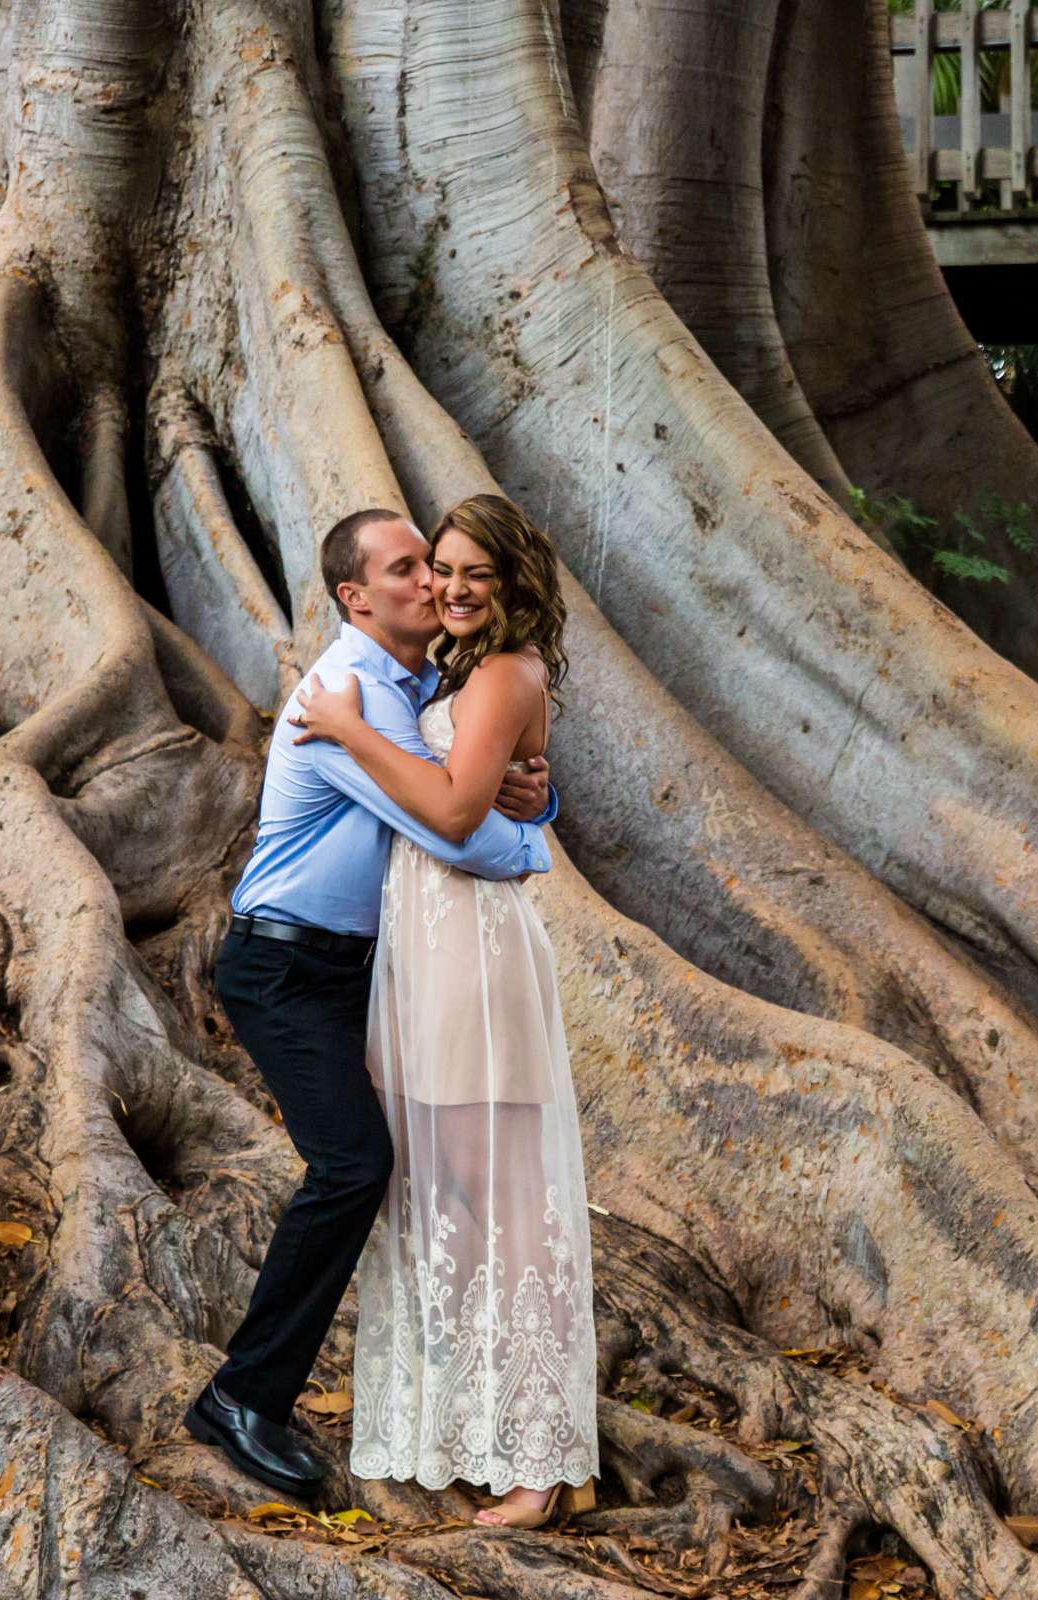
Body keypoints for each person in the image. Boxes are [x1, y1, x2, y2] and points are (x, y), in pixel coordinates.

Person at [185, 508, 557, 1502]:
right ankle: (243, 1396)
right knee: (355, 1165)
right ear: (354, 598)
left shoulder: (421, 685)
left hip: (368, 971)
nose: (432, 584)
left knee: (442, 1175)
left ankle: (484, 1423)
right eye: (408, 570)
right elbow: (454, 829)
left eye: (436, 567)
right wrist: (533, 843)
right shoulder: (345, 693)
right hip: (284, 969)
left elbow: (483, 773)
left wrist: (537, 796)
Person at [288, 492, 598, 1530]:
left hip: (473, 954)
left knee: (504, 1208)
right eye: (441, 570)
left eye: (474, 573)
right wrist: (531, 790)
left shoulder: (508, 671)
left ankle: (542, 1461)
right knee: (450, 1201)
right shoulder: (457, 672)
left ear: (513, 582)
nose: (452, 588)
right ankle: (473, 1425)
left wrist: (341, 727)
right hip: (419, 954)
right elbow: (476, 782)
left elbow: (458, 810)